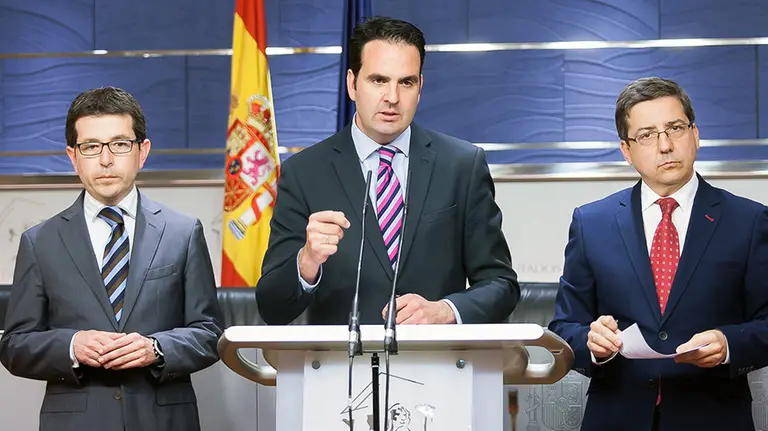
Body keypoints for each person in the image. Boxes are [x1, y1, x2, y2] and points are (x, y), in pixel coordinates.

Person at [256, 16, 519, 325]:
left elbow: (502, 285)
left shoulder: (462, 165)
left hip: (438, 365)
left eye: (406, 82)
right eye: (378, 80)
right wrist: (307, 261)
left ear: (420, 87)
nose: (392, 98)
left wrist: (445, 311)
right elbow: (272, 308)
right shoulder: (304, 172)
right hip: (341, 368)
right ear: (352, 84)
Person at [549, 77, 768, 430]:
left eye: (675, 128)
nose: (665, 145)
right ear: (626, 150)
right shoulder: (592, 222)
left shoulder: (749, 220)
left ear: (695, 135)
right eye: (647, 135)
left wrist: (729, 344)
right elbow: (563, 327)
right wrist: (592, 343)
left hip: (713, 417)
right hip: (617, 417)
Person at [0, 87, 223, 431]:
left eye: (119, 144)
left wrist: (157, 348)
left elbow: (209, 333)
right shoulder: (39, 242)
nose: (105, 160)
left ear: (142, 152)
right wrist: (72, 345)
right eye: (91, 147)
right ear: (73, 157)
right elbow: (15, 345)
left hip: (164, 420)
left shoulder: (183, 232)